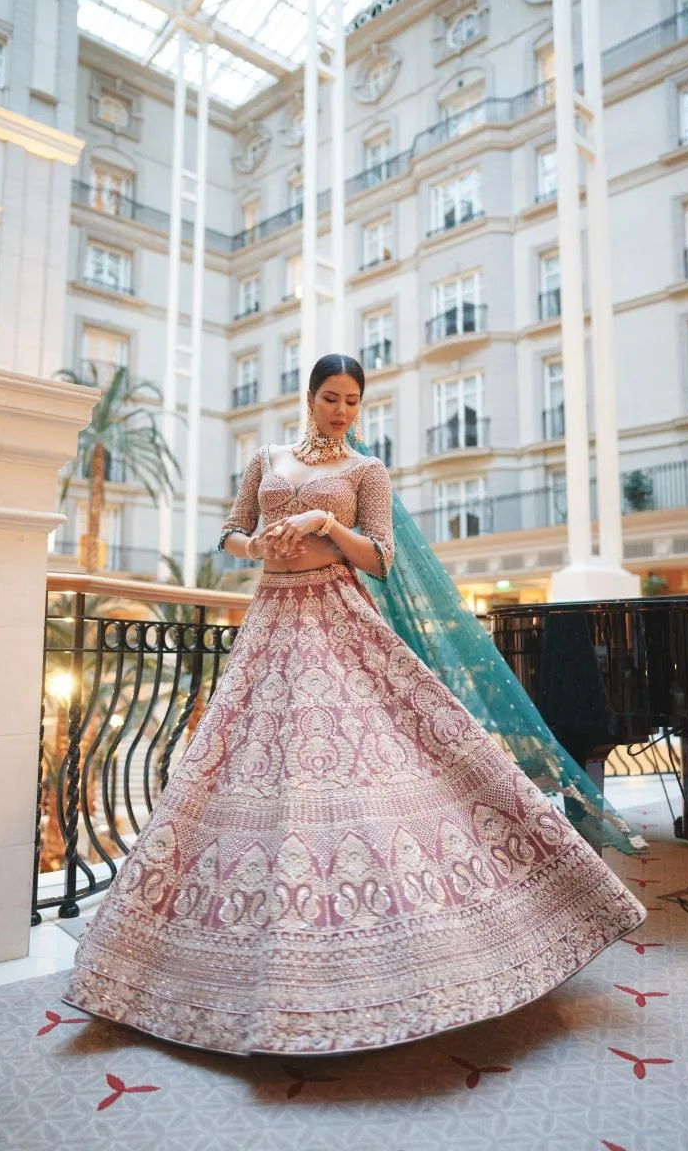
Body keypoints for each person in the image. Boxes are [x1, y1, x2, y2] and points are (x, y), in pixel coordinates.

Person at [63, 354, 646, 1056]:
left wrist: (320, 523)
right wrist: (262, 541)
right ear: (308, 397)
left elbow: (381, 559)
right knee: (247, 772)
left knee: (367, 771)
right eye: (331, 398)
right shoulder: (266, 458)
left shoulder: (368, 472)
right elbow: (228, 537)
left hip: (339, 620)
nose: (341, 411)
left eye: (352, 402)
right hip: (272, 623)